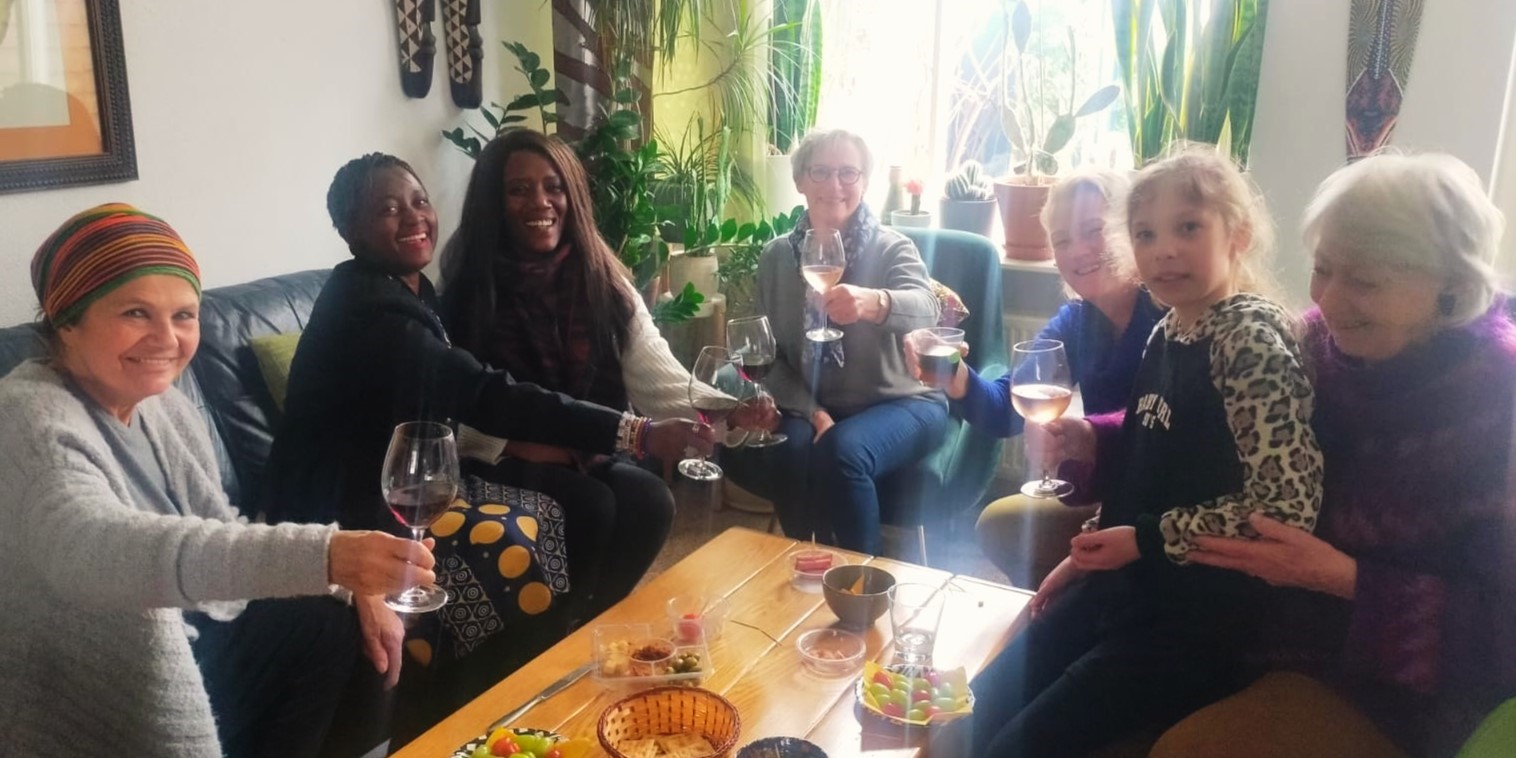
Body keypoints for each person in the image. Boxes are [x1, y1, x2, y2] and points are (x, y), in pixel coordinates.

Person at [262, 153, 713, 733]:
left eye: (418, 201)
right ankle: (483, 711)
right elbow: (482, 394)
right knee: (562, 518)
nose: (412, 218)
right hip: (337, 509)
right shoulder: (376, 311)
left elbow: (454, 401)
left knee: (623, 503)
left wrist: (692, 416)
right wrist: (635, 431)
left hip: (399, 482)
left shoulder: (409, 289)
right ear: (350, 230)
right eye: (386, 209)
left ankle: (557, 665)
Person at [0, 203, 434, 758]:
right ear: (67, 320)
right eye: (136, 313)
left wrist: (352, 585)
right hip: (106, 669)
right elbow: (98, 549)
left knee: (351, 627)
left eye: (184, 315)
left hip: (194, 629)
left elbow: (218, 526)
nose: (166, 338)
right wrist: (328, 555)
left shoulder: (161, 405)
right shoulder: (28, 417)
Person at [1151, 153, 1516, 758]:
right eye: (1323, 270)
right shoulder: (1319, 339)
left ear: (1451, 286)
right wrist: (1100, 438)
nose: (1331, 300)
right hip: (1260, 614)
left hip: (1392, 685)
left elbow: (1499, 635)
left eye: (1366, 282)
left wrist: (1343, 580)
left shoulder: (1496, 402)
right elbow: (1216, 424)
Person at [970, 145, 1324, 756]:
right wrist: (1081, 559)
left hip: (1192, 627)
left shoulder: (1249, 342)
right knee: (972, 711)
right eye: (1146, 233)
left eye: (1188, 227)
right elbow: (1140, 470)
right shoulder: (1170, 329)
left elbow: (1286, 509)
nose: (1164, 249)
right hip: (1128, 589)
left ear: (1236, 235)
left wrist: (1145, 540)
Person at [904, 168, 1166, 587]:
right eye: (1062, 240)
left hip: (1163, 513)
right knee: (999, 524)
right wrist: (952, 373)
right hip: (1108, 497)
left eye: (1093, 230)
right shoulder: (1078, 321)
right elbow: (1006, 409)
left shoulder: (1169, 314)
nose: (1077, 251)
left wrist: (1086, 440)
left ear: (1132, 230)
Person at [722, 128, 948, 554]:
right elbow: (766, 357)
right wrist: (814, 412)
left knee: (844, 451)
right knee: (790, 451)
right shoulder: (775, 257)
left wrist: (874, 303)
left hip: (905, 403)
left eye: (848, 172)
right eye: (820, 172)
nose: (834, 185)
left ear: (864, 181)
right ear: (800, 181)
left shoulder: (893, 247)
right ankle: (809, 562)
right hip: (813, 399)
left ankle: (862, 586)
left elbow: (926, 309)